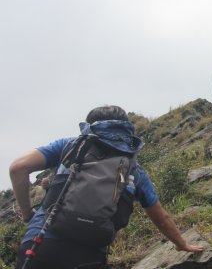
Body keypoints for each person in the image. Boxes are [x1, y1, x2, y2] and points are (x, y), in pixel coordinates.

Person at [9, 105, 202, 269]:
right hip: (90, 254)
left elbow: (18, 168)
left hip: (41, 244)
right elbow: (161, 219)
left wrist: (28, 215)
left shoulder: (69, 146)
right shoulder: (134, 170)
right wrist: (181, 243)